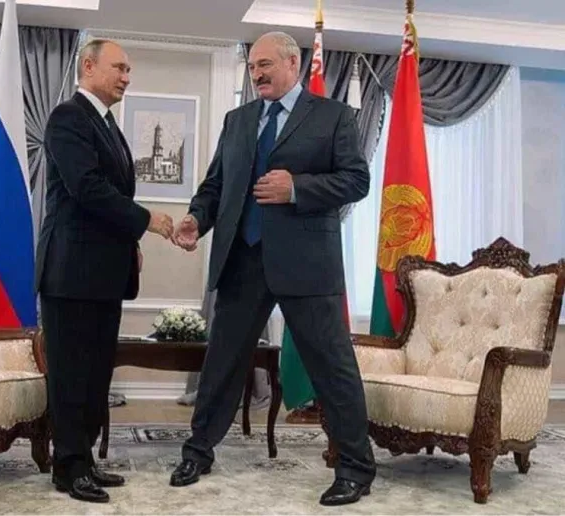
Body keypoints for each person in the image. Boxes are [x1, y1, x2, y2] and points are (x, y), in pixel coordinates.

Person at [169, 31, 376, 506]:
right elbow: (216, 184)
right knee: (221, 364)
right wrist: (196, 219)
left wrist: (297, 188)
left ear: (292, 63)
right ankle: (198, 452)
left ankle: (356, 468)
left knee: (332, 367)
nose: (257, 73)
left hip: (307, 264)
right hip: (242, 259)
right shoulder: (238, 120)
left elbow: (356, 180)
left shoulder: (334, 116)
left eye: (265, 64)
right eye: (252, 67)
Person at [35, 38, 174, 504]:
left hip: (104, 273)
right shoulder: (68, 117)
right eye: (119, 68)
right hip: (71, 273)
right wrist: (146, 221)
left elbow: (109, 196)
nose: (126, 77)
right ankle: (68, 467)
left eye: (129, 70)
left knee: (95, 376)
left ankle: (85, 459)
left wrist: (128, 245)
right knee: (72, 375)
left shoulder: (107, 124)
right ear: (89, 66)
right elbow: (87, 188)